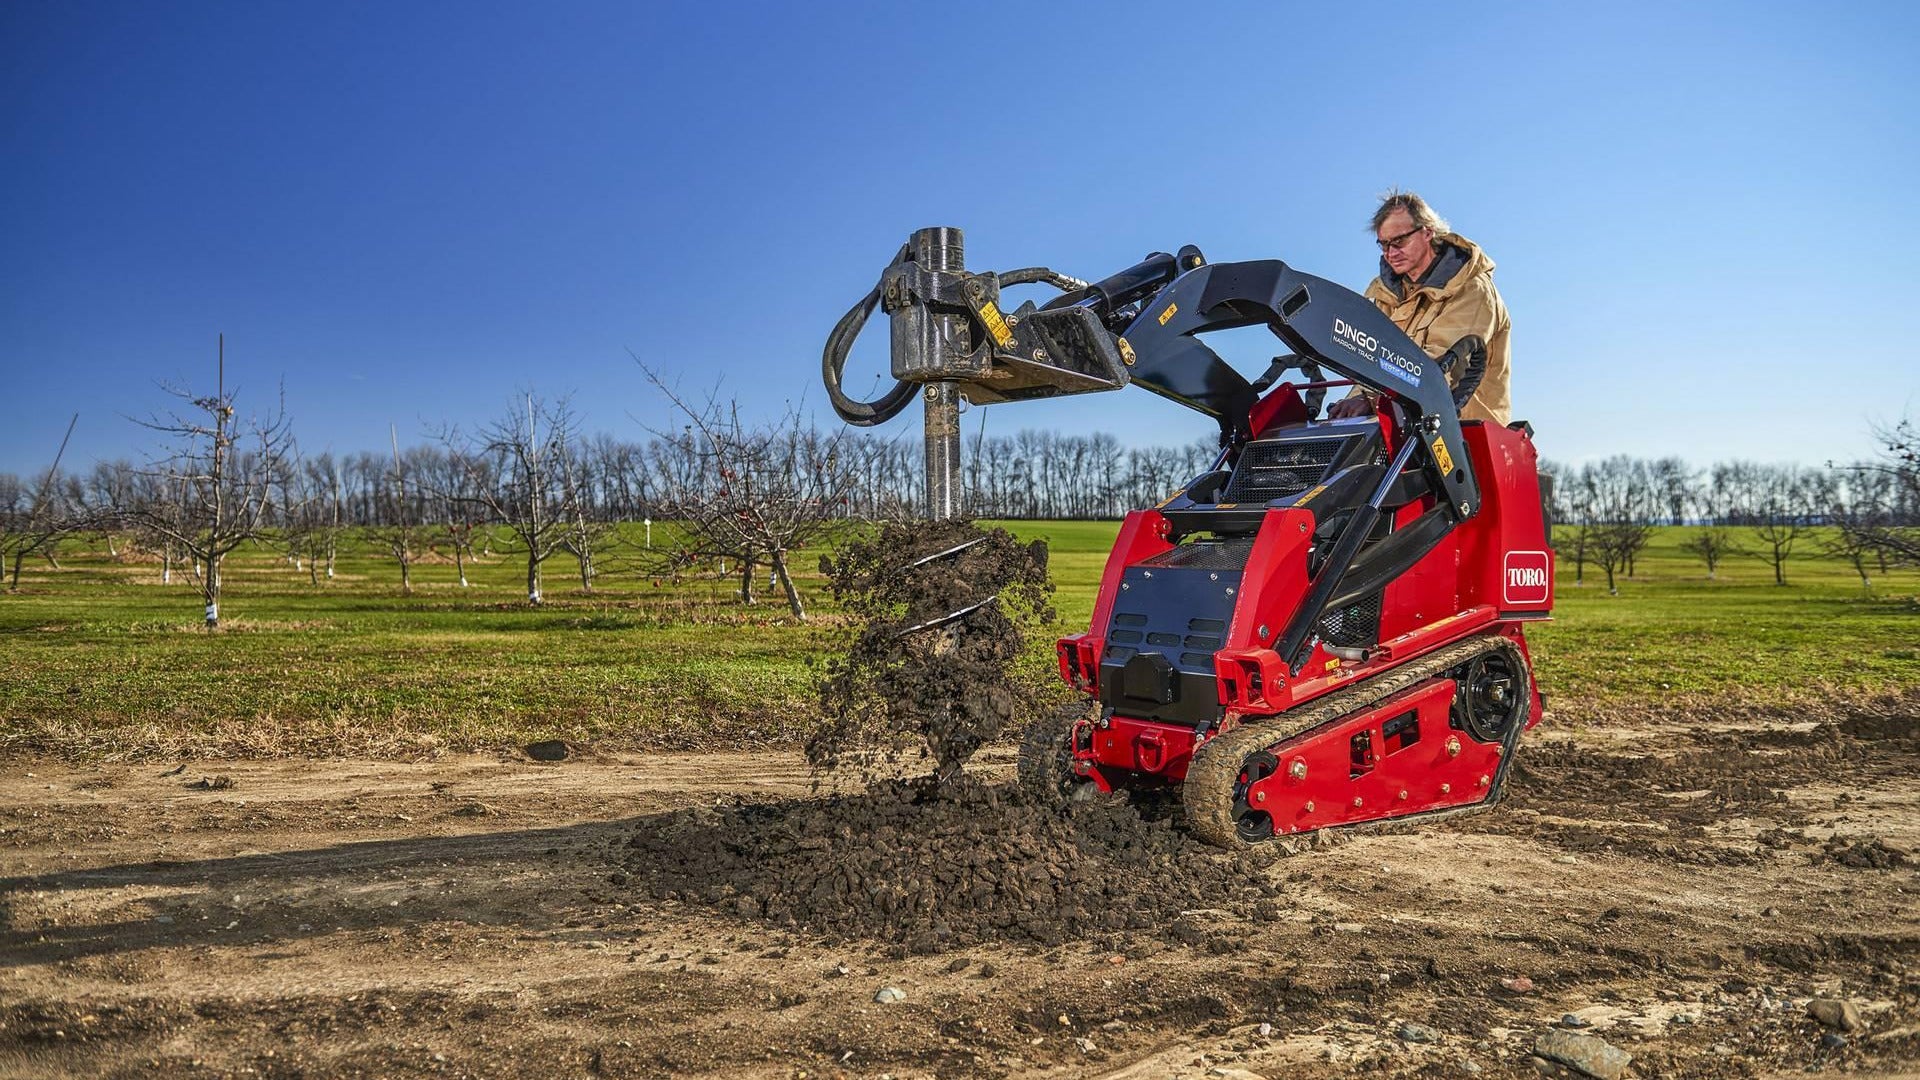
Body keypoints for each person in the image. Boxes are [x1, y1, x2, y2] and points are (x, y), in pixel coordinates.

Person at [1329, 190, 1512, 426]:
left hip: (1464, 433)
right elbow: (1372, 358)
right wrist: (1358, 399)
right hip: (1405, 424)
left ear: (1427, 232)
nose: (1391, 253)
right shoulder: (1386, 296)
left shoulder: (1472, 290)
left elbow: (1438, 365)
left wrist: (1373, 400)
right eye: (1383, 244)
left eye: (1399, 241)